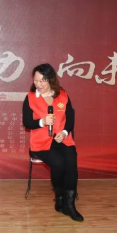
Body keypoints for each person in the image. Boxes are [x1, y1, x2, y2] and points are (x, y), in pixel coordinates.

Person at [22, 63, 83, 222]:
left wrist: (64, 132)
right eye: (36, 80)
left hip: (62, 139)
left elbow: (70, 118)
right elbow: (27, 122)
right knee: (58, 163)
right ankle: (59, 196)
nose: (38, 84)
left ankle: (69, 204)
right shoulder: (30, 98)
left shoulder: (62, 95)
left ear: (51, 79)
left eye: (42, 80)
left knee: (71, 161)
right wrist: (42, 122)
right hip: (41, 143)